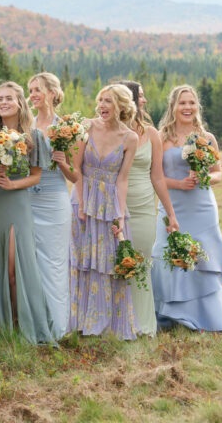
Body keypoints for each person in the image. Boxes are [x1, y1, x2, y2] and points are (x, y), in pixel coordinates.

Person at [0, 82, 59, 344]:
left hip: (17, 201)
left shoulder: (33, 136)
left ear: (20, 103)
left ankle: (21, 324)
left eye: (9, 99)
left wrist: (13, 184)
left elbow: (36, 177)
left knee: (15, 267)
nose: (3, 103)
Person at [151, 85, 222, 332]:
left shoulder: (206, 138)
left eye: (192, 103)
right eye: (182, 103)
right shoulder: (161, 137)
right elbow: (154, 176)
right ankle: (169, 316)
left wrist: (204, 178)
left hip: (202, 208)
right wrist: (178, 183)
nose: (187, 107)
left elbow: (217, 173)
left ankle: (207, 319)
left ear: (198, 107)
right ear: (173, 107)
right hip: (172, 206)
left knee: (202, 259)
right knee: (165, 255)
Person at [69, 83, 139, 339]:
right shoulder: (85, 127)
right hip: (82, 200)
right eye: (100, 100)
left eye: (108, 101)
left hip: (110, 204)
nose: (101, 106)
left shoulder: (130, 137)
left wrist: (119, 215)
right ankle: (79, 321)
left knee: (108, 263)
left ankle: (106, 324)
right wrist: (82, 204)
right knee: (82, 261)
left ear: (121, 105)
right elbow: (76, 169)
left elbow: (122, 179)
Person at [116, 80, 179, 337]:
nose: (144, 100)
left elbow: (158, 177)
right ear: (128, 100)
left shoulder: (152, 134)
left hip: (143, 208)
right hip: (113, 207)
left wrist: (170, 213)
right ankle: (116, 325)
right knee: (114, 265)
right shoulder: (106, 131)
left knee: (140, 264)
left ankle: (143, 325)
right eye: (140, 96)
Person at [27, 72, 75, 336]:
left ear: (53, 94)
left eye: (38, 90)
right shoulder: (26, 125)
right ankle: (33, 323)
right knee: (30, 263)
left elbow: (76, 176)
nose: (33, 94)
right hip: (27, 200)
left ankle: (56, 327)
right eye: (31, 90)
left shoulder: (66, 127)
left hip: (55, 200)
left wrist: (63, 161)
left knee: (55, 263)